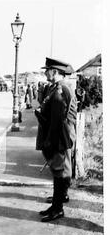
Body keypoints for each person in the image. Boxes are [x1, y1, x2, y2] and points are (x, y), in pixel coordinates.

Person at [35, 57, 77, 222]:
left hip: (58, 136)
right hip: (55, 134)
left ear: (55, 71)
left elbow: (58, 120)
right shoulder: (55, 88)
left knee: (60, 170)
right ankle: (56, 206)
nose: (45, 72)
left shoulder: (61, 90)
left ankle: (58, 208)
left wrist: (50, 141)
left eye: (47, 70)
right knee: (57, 170)